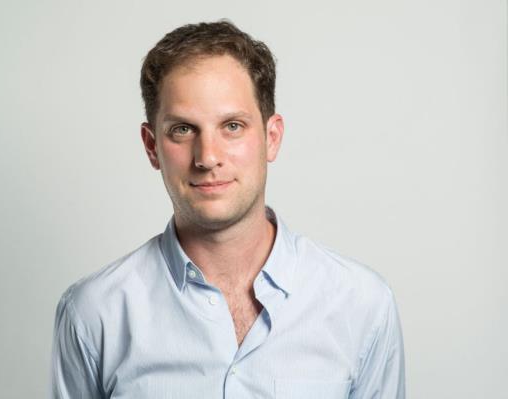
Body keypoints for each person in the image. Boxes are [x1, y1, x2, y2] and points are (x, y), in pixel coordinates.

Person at [50, 20, 405, 399]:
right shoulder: (95, 314)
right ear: (152, 146)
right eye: (183, 130)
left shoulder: (361, 304)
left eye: (232, 126)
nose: (208, 157)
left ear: (271, 138)